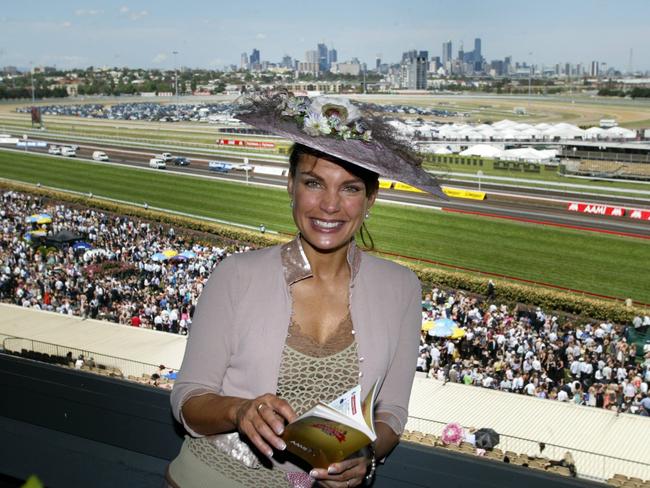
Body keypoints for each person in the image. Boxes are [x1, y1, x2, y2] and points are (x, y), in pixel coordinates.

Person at [167, 93, 445, 488]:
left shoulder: (401, 289)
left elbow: (391, 414)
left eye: (349, 188)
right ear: (291, 186)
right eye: (314, 183)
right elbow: (188, 401)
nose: (329, 205)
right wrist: (239, 410)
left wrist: (366, 454)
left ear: (371, 199)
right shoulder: (236, 275)